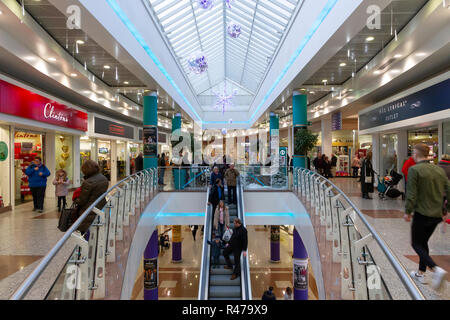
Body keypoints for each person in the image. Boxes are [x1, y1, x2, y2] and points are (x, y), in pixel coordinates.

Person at [405, 144, 449, 289]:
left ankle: (435, 269)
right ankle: (421, 273)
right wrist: (447, 210)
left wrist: (407, 211)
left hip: (422, 213)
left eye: (413, 152)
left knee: (416, 243)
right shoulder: (439, 170)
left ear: (416, 154)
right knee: (423, 243)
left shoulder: (414, 170)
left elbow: (411, 194)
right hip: (436, 215)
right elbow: (449, 190)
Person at [75, 160, 109, 233]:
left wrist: (75, 199)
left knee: (87, 232)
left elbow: (82, 201)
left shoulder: (88, 182)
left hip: (89, 211)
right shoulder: (103, 178)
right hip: (101, 206)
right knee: (97, 230)